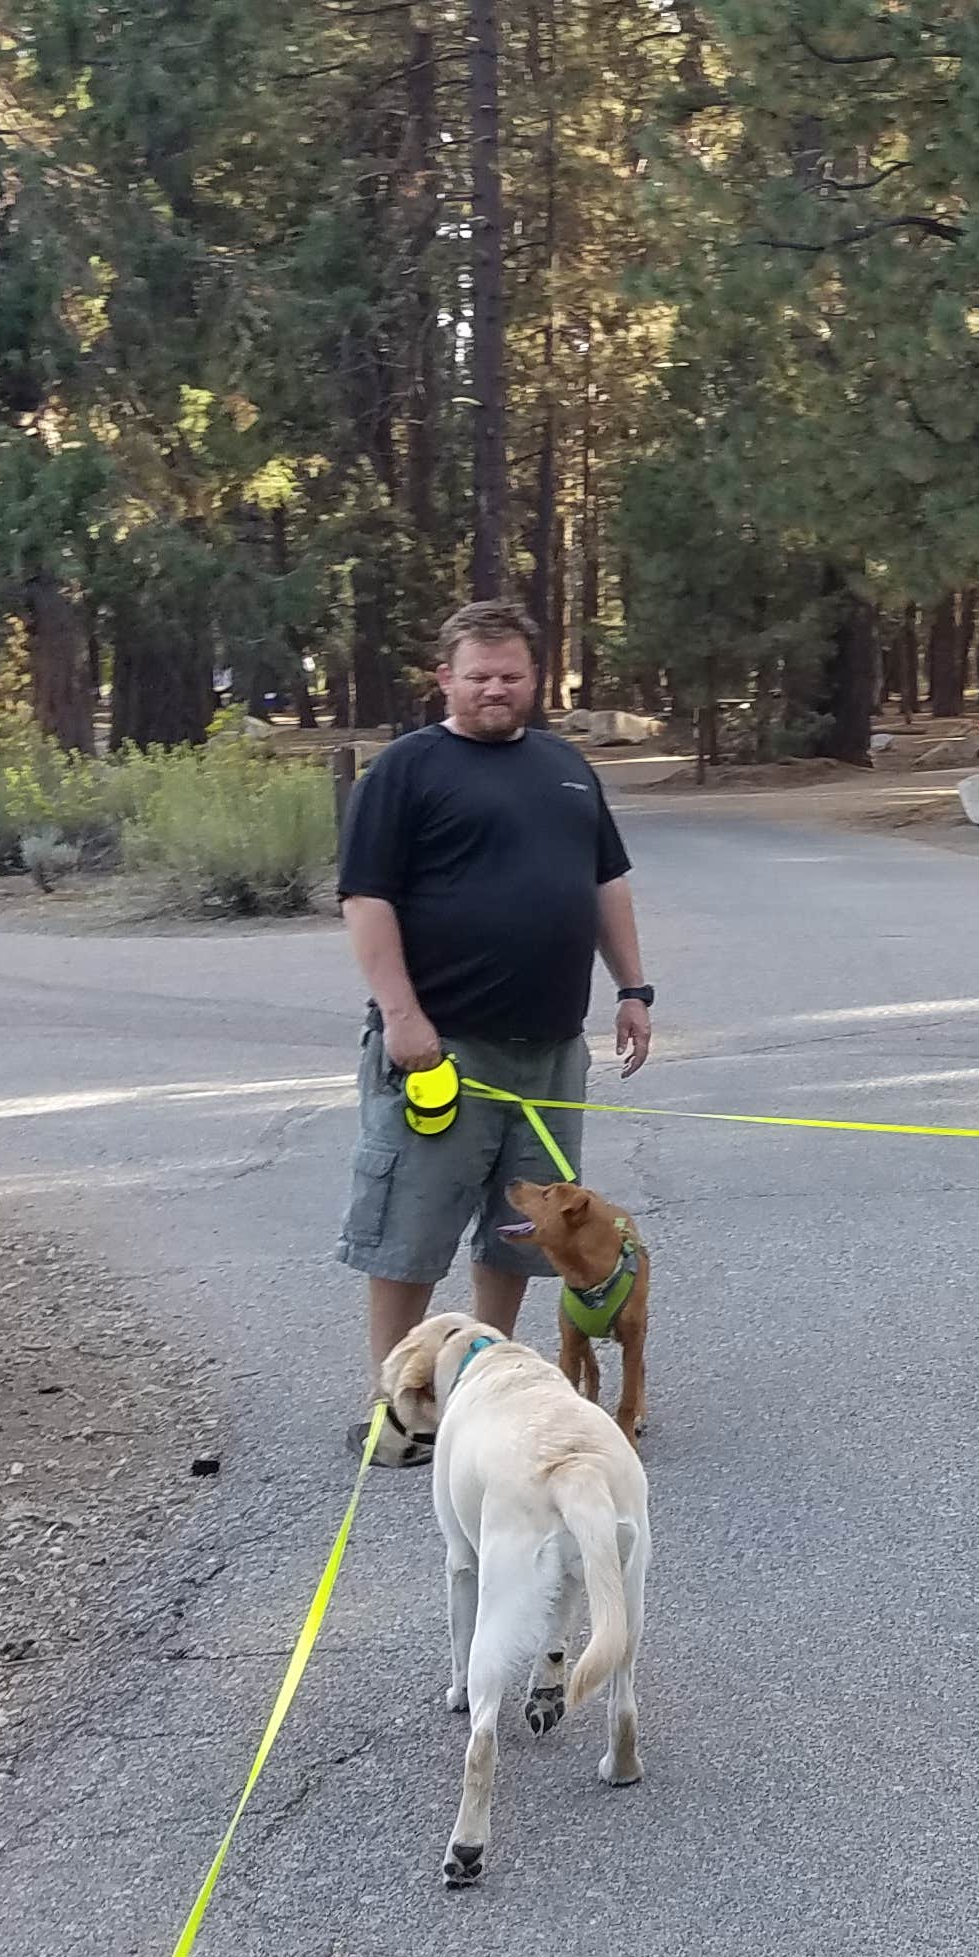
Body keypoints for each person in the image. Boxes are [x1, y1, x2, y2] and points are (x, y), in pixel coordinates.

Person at [333, 599, 654, 1462]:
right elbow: (366, 901)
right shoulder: (404, 771)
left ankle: (483, 1396)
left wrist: (633, 988)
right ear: (445, 677)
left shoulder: (564, 767)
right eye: (477, 676)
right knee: (411, 1229)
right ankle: (395, 1410)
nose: (495, 690)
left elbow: (606, 886)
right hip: (444, 1050)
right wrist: (403, 1018)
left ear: (534, 678)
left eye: (511, 675)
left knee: (524, 1235)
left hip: (549, 1048)